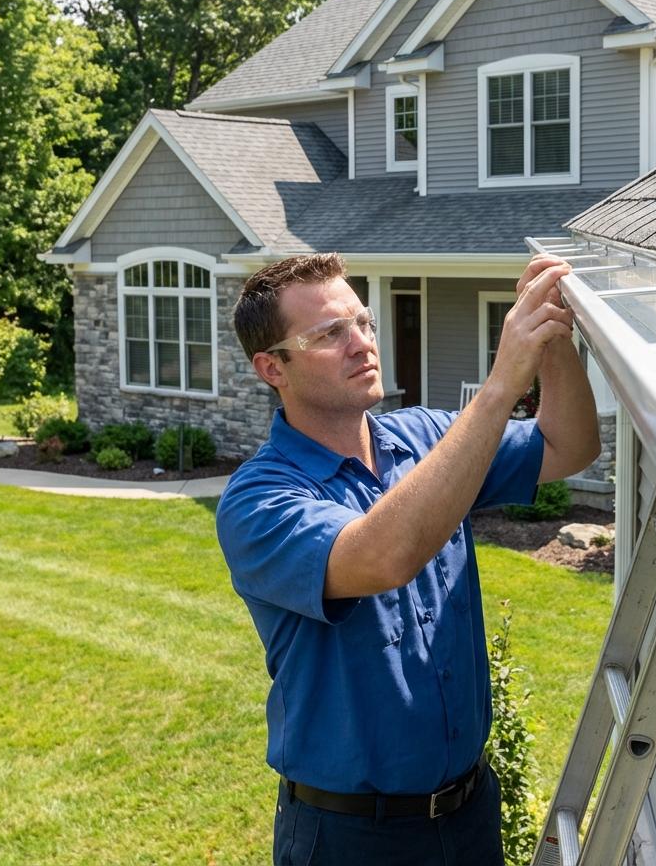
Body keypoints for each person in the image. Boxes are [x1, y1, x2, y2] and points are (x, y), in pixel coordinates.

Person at [215, 251, 600, 866]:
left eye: (363, 323)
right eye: (329, 334)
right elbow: (382, 556)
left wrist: (550, 338)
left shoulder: (425, 438)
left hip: (470, 814)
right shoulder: (259, 499)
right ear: (272, 367)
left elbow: (570, 444)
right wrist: (503, 382)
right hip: (352, 839)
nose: (361, 343)